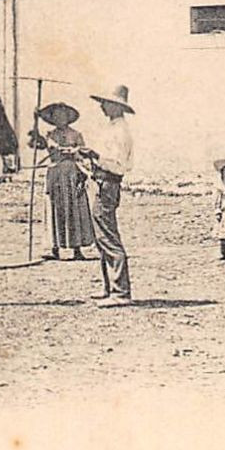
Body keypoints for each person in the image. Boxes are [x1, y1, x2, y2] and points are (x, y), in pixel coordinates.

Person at [80, 86, 135, 306]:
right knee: (100, 237)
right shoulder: (111, 128)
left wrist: (95, 155)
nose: (102, 106)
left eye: (106, 103)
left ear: (116, 106)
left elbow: (119, 165)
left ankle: (121, 292)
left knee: (108, 237)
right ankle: (109, 287)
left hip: (108, 184)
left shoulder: (121, 131)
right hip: (99, 181)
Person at [27, 102, 95, 261]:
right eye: (56, 116)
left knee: (74, 209)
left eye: (63, 115)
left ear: (68, 118)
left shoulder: (76, 135)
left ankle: (77, 249)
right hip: (55, 176)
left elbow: (84, 154)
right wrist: (34, 122)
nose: (60, 119)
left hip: (73, 175)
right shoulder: (48, 135)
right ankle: (54, 247)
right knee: (56, 209)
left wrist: (78, 160)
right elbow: (33, 143)